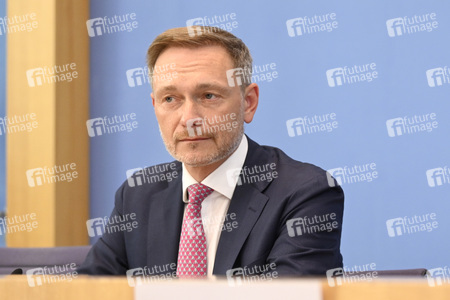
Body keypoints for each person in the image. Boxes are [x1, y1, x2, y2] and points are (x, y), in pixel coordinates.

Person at [78, 26, 344, 279]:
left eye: (208, 96)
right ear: (154, 105)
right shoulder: (138, 195)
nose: (189, 119)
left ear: (248, 103)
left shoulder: (305, 192)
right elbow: (88, 292)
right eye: (170, 99)